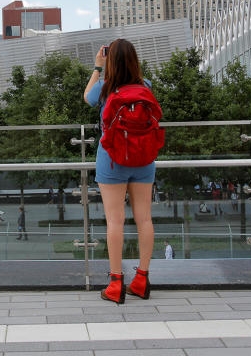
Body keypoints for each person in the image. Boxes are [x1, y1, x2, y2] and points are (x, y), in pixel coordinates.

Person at [84, 38, 155, 304]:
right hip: (144, 159)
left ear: (110, 59)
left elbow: (86, 97)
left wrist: (97, 67)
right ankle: (142, 280)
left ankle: (116, 284)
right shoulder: (145, 86)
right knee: (144, 219)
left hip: (112, 160)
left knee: (115, 220)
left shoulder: (103, 88)